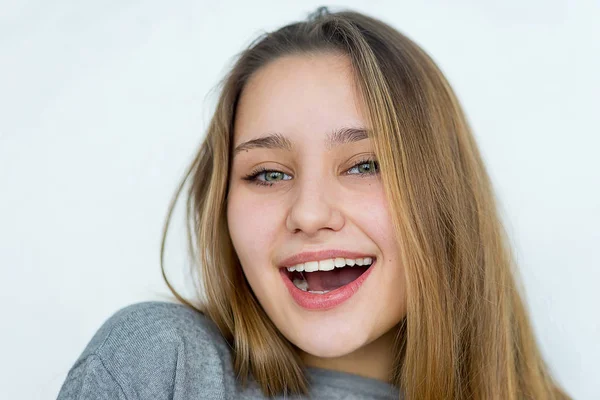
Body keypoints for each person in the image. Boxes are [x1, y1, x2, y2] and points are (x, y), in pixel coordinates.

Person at [57, 6, 572, 400]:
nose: (308, 213)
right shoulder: (163, 366)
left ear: (444, 196)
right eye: (269, 174)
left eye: (364, 165)